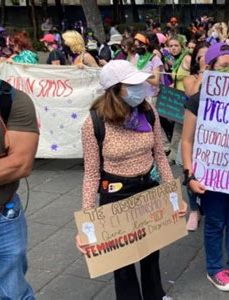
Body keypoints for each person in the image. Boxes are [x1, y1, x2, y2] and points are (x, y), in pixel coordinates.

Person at [76, 60, 186, 300]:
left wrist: (173, 197)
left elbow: (160, 155)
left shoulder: (148, 112)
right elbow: (92, 174)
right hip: (116, 192)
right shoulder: (93, 124)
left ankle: (155, 294)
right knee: (121, 259)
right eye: (132, 85)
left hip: (148, 187)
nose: (141, 88)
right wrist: (87, 224)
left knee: (151, 249)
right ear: (115, 90)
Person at [181, 42, 229, 292]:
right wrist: (189, 175)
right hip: (210, 176)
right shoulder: (198, 100)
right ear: (209, 68)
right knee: (214, 223)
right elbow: (186, 140)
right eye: (224, 66)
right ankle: (215, 269)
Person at [0, 17, 38, 299]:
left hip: (1, 222)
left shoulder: (12, 100)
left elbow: (19, 163)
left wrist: (6, 165)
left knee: (16, 294)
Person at [182, 41, 209, 231]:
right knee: (189, 171)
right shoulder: (190, 78)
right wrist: (203, 71)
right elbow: (193, 94)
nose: (206, 59)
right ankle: (194, 210)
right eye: (202, 56)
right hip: (193, 132)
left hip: (212, 136)